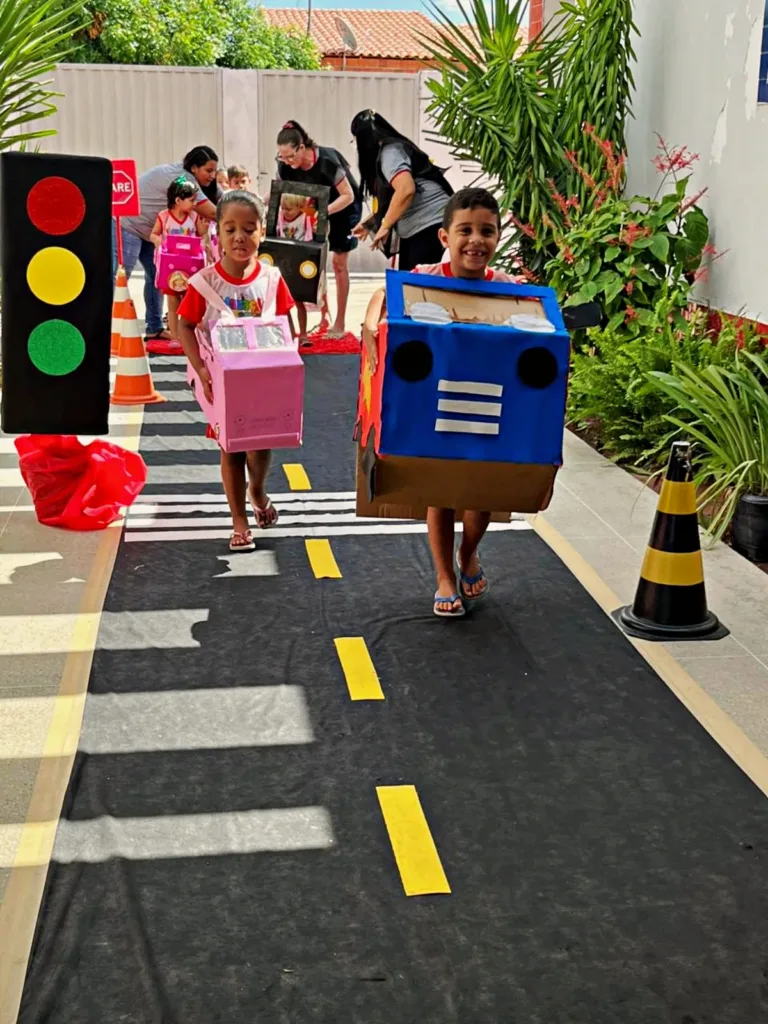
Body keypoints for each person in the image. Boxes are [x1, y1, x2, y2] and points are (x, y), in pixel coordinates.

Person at [361, 187, 522, 618]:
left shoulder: (508, 288)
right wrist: (370, 324)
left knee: (481, 494)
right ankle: (444, 576)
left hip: (487, 406)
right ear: (444, 236)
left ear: (498, 237)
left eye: (487, 231)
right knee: (440, 493)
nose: (476, 240)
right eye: (465, 230)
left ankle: (468, 553)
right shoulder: (426, 276)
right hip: (437, 403)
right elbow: (383, 294)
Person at [177, 191, 296, 552]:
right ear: (219, 233)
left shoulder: (271, 279)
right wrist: (201, 368)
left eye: (248, 229)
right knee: (231, 447)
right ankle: (239, 520)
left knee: (260, 445)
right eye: (230, 229)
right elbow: (184, 324)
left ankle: (257, 489)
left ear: (262, 232)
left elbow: (286, 321)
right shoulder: (205, 283)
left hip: (264, 380)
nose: (239, 237)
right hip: (223, 382)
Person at [117, 145, 221, 343]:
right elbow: (211, 211)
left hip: (153, 234)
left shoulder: (186, 181)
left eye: (214, 170)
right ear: (194, 168)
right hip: (129, 225)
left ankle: (155, 328)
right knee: (121, 276)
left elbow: (219, 200)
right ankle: (109, 327)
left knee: (158, 278)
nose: (212, 175)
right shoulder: (184, 181)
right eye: (208, 170)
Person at [276, 120, 362, 342]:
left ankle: (339, 322)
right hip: (314, 209)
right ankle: (324, 315)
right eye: (282, 158)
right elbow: (280, 192)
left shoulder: (327, 161)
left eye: (290, 157)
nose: (287, 162)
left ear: (301, 148)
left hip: (343, 209)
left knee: (339, 263)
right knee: (316, 260)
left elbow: (348, 195)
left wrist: (322, 212)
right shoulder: (285, 166)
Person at [351, 109, 453, 272]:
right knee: (408, 279)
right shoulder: (391, 150)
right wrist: (369, 224)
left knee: (418, 282)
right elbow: (394, 199)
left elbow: (406, 190)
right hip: (420, 228)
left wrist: (385, 225)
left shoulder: (390, 153)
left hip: (428, 225)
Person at [149, 178, 209, 343]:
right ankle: (175, 337)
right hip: (171, 265)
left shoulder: (194, 217)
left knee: (189, 299)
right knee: (173, 300)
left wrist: (204, 239)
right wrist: (158, 240)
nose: (195, 204)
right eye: (191, 200)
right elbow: (153, 234)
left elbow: (202, 235)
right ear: (178, 200)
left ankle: (189, 336)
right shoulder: (164, 216)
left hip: (190, 264)